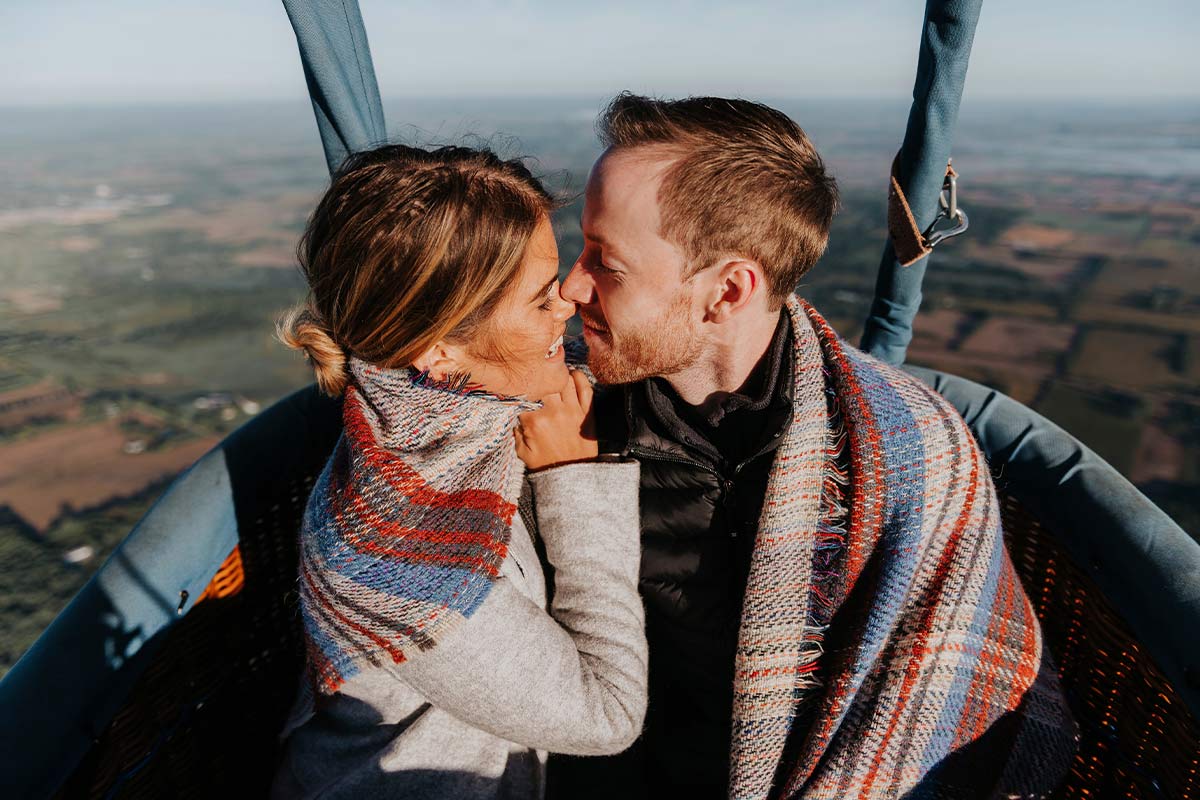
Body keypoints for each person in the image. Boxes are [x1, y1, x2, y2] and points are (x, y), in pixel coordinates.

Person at [547, 94, 1077, 800]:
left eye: (605, 262)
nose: (570, 284)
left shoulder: (909, 450)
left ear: (727, 292)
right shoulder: (560, 416)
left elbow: (928, 711)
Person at [269, 143, 647, 800]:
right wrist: (571, 481)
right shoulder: (398, 556)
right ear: (439, 349)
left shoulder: (447, 417)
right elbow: (605, 715)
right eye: (539, 300)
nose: (565, 305)